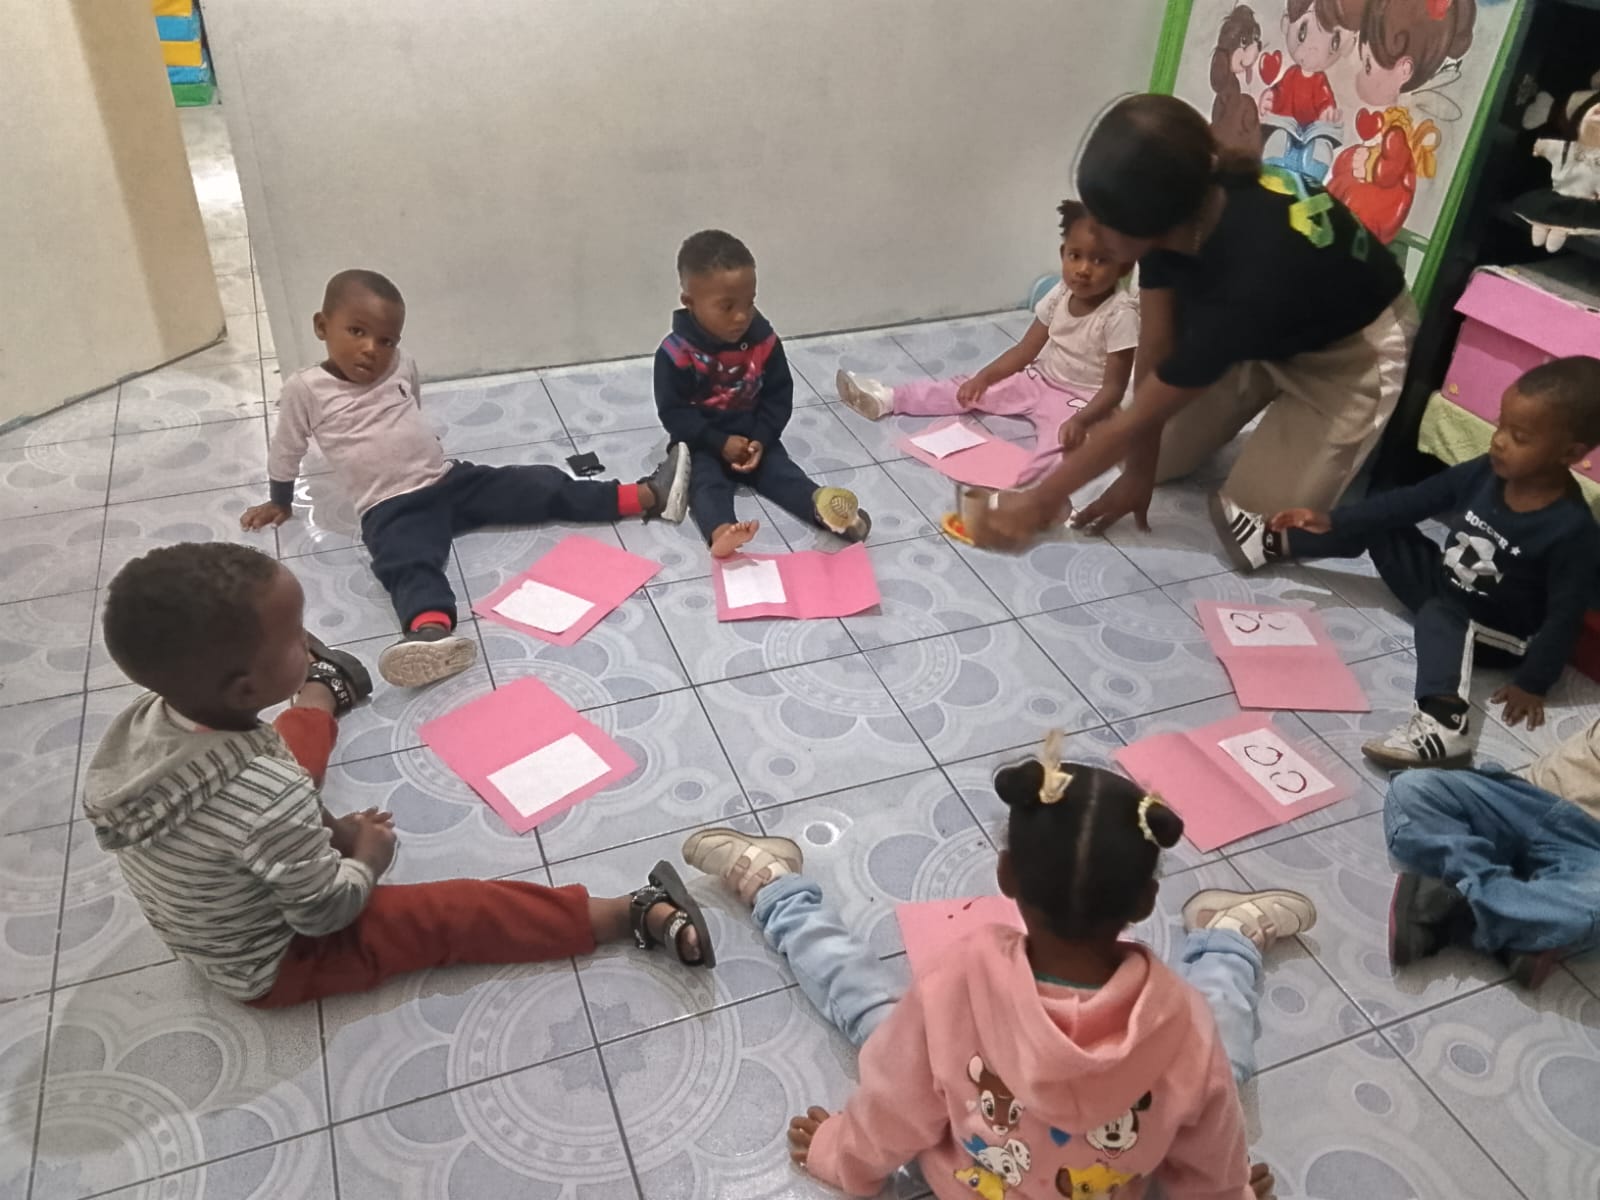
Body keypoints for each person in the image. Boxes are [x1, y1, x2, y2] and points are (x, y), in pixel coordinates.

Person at [682, 736, 1316, 1199]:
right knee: (1222, 1061)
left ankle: (775, 885)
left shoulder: (955, 983)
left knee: (871, 1008)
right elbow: (1210, 1168)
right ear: (1147, 901)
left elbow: (895, 1111)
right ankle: (1228, 937)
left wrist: (842, 1155)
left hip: (965, 1180)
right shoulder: (1185, 1027)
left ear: (1005, 874)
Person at [82, 543, 713, 1008]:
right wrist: (367, 858)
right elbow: (325, 913)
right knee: (451, 912)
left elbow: (266, 791)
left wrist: (327, 832)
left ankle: (322, 692)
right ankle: (627, 915)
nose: (309, 638)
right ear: (246, 687)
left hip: (213, 905)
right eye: (296, 641)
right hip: (276, 963)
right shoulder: (267, 800)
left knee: (285, 755)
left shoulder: (148, 722)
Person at [977, 93, 1412, 549]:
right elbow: (1154, 356)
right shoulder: (1180, 212)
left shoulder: (1249, 277)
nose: (1093, 234)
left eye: (1105, 224)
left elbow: (1141, 415)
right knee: (1149, 458)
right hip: (1260, 335)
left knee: (1252, 535)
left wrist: (1037, 502)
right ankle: (1261, 396)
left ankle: (1312, 425)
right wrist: (1139, 475)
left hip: (1348, 355)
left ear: (1151, 225)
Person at [241, 269, 693, 689]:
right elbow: (287, 448)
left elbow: (410, 404)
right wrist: (280, 499)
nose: (372, 349)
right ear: (322, 326)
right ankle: (430, 632)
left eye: (386, 339)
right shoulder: (306, 390)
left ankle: (644, 496)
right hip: (390, 506)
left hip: (449, 481)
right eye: (356, 332)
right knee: (406, 562)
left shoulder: (400, 363)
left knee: (538, 484)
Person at [1214, 357, 1600, 769]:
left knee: (1440, 613)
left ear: (1570, 453)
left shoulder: (1571, 530)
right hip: (1446, 583)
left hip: (1499, 633)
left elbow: (1564, 617)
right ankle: (1273, 542)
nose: (1500, 441)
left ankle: (1444, 722)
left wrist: (1533, 683)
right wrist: (1332, 519)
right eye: (1500, 425)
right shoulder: (1485, 472)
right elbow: (1414, 501)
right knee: (1384, 520)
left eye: (1519, 437)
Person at [835, 201, 1138, 485]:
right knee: (966, 389)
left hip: (1081, 399)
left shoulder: (1119, 315)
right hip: (1039, 379)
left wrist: (1083, 420)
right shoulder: (1060, 294)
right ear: (1063, 254)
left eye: (1099, 260)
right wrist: (984, 378)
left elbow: (1114, 388)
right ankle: (889, 399)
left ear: (1124, 267)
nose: (1083, 269)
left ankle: (1029, 492)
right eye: (1075, 256)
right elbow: (1025, 350)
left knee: (1064, 445)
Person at [656, 230, 871, 558]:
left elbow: (778, 396)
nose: (741, 316)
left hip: (754, 436)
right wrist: (718, 442)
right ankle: (721, 531)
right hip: (702, 442)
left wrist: (762, 437)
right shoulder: (675, 354)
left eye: (749, 302)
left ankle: (827, 512)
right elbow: (674, 413)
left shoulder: (765, 342)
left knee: (783, 474)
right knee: (704, 483)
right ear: (690, 303)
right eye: (727, 307)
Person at [1385, 703, 1600, 991]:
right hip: (1528, 798)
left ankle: (1458, 907)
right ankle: (1521, 923)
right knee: (1413, 788)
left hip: (1591, 848)